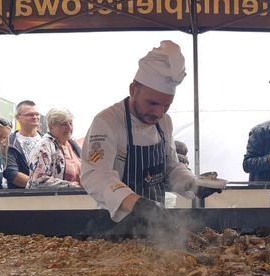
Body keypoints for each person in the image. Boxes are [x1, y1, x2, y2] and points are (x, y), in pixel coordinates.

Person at [81, 40, 221, 229]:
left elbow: (171, 167)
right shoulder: (107, 122)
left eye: (166, 105)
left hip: (158, 225)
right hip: (116, 225)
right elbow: (97, 175)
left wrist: (193, 183)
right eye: (152, 103)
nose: (158, 113)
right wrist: (136, 203)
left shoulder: (164, 122)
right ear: (133, 90)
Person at [26, 108, 82, 189]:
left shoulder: (74, 145)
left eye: (71, 123)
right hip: (49, 200)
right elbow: (37, 180)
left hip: (75, 199)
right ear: (51, 126)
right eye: (63, 124)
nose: (69, 128)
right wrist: (69, 186)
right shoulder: (44, 146)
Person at [4, 100, 42, 189]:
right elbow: (12, 174)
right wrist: (42, 186)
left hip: (51, 198)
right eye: (30, 114)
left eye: (37, 114)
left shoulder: (48, 141)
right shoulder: (8, 142)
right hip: (19, 197)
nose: (35, 117)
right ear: (18, 117)